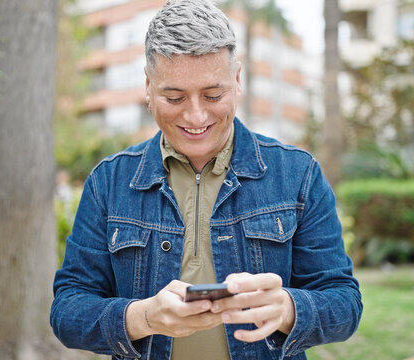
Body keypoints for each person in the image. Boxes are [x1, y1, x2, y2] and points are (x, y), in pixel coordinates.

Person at [50, 0, 362, 359]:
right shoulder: (108, 181)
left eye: (213, 95)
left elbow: (344, 302)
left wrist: (288, 309)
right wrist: (146, 317)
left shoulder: (298, 174)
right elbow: (68, 311)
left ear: (238, 80)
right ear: (148, 87)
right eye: (174, 96)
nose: (195, 115)